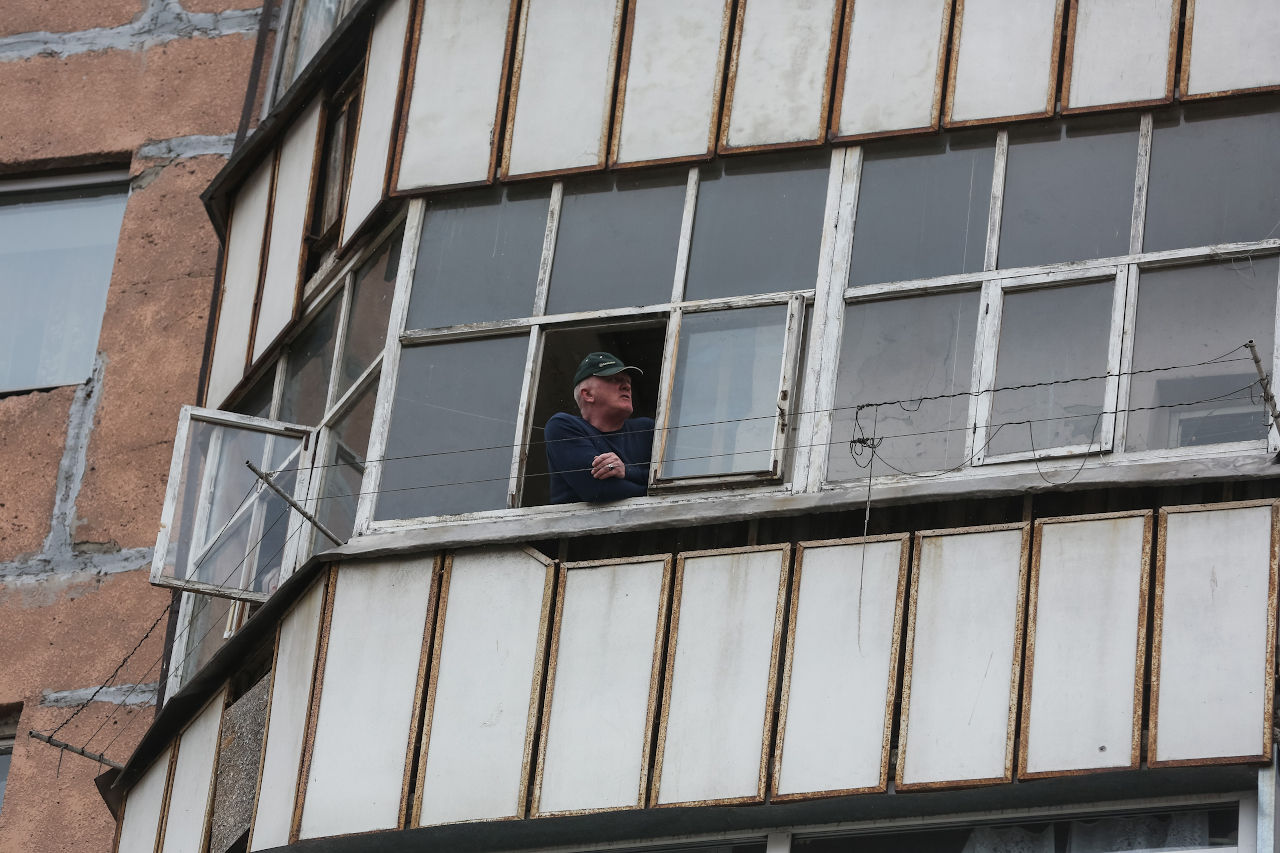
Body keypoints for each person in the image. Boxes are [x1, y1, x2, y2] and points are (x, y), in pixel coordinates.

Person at [545, 352, 654, 504]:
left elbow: (673, 477)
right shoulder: (562, 425)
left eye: (628, 382)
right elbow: (599, 490)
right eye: (614, 379)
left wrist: (627, 471)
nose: (627, 386)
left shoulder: (646, 429)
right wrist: (654, 492)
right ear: (587, 394)